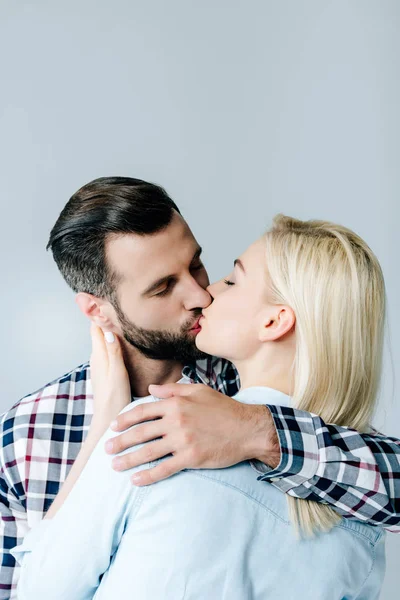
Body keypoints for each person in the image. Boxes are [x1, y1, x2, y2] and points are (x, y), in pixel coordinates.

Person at [0, 177, 399, 598]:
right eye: (163, 287)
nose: (200, 294)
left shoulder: (245, 373)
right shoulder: (30, 432)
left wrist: (258, 431)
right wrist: (105, 424)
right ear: (97, 310)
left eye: (195, 265)